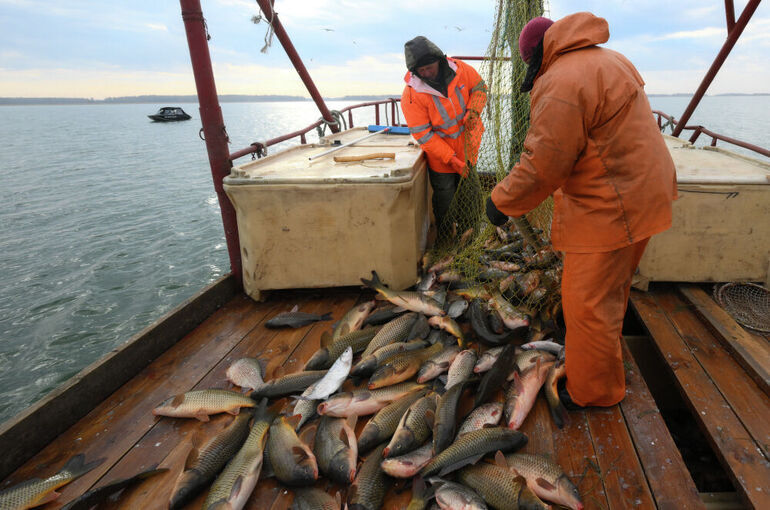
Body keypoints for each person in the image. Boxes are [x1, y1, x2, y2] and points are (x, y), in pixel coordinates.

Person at [485, 12, 677, 409]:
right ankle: (601, 366)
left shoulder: (561, 81)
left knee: (585, 306)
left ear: (538, 57)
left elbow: (545, 163)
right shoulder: (609, 59)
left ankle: (594, 392)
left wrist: (501, 201)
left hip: (612, 207)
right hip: (644, 195)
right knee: (609, 295)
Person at [401, 36, 487, 237]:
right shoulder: (411, 95)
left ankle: (470, 237)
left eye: (429, 67)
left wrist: (474, 110)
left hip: (468, 150)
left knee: (471, 197)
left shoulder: (461, 69)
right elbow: (422, 134)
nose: (426, 73)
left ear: (439, 60)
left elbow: (480, 88)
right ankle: (447, 240)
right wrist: (450, 158)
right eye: (420, 71)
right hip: (441, 159)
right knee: (445, 201)